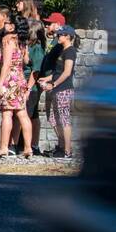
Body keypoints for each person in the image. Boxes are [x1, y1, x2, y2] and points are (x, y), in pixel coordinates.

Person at [0, 20, 33, 158]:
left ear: (12, 26)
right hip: (20, 78)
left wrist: (0, 84)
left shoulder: (8, 40)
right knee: (22, 113)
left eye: (8, 22)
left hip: (10, 80)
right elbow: (26, 61)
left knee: (7, 114)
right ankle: (28, 148)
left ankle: (4, 147)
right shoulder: (21, 41)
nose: (5, 24)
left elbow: (6, 64)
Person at [39, 25, 78, 159]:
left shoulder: (70, 51)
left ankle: (67, 150)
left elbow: (67, 72)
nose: (58, 36)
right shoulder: (62, 50)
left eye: (61, 35)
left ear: (68, 36)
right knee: (53, 119)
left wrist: (54, 84)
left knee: (63, 118)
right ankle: (61, 146)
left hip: (64, 89)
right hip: (57, 88)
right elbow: (58, 72)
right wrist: (48, 78)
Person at [25, 20, 47, 153]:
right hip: (29, 86)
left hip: (32, 88)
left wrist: (28, 89)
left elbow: (36, 71)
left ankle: (31, 145)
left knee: (27, 115)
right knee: (33, 115)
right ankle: (33, 145)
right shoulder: (31, 46)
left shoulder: (37, 48)